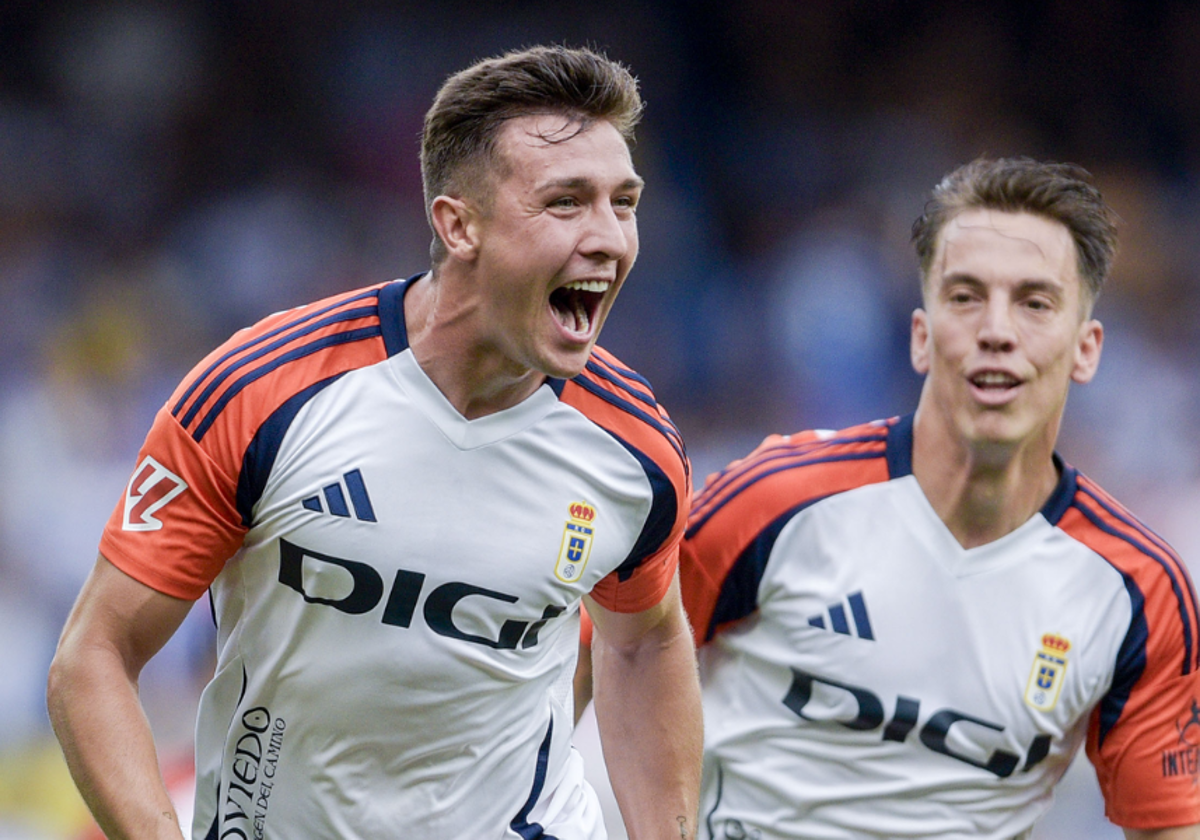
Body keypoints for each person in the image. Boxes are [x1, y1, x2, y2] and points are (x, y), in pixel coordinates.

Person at [47, 45, 702, 840]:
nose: (609, 239)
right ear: (458, 225)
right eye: (566, 203)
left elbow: (643, 642)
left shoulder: (633, 448)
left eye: (623, 203)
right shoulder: (263, 394)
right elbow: (96, 656)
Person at [679, 158, 1200, 839]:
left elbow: (1166, 828)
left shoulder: (1138, 590)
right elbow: (614, 647)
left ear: (1086, 348)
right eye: (965, 297)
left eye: (1035, 303)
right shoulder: (774, 500)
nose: (997, 331)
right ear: (922, 336)